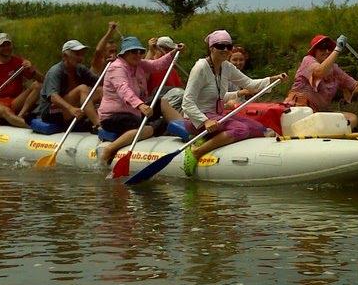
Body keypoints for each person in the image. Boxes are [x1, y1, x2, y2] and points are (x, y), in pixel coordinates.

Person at [181, 30, 287, 176]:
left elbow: (250, 84)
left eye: (228, 47)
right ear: (211, 48)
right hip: (196, 119)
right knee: (241, 129)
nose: (225, 50)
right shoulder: (200, 68)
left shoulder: (227, 67)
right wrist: (205, 121)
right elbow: (187, 102)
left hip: (217, 116)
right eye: (220, 46)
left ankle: (208, 139)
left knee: (259, 128)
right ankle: (196, 152)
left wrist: (272, 79)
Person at [96, 37, 184, 166]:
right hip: (113, 116)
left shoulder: (139, 64)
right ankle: (110, 149)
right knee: (148, 128)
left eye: (140, 52)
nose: (138, 54)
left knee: (161, 102)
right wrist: (140, 105)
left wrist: (174, 52)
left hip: (133, 112)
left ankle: (187, 132)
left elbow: (157, 65)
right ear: (124, 53)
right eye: (134, 51)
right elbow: (123, 89)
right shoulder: (117, 68)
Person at [284, 34, 358, 129]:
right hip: (298, 110)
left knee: (352, 118)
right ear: (314, 51)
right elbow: (320, 72)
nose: (327, 51)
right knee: (311, 118)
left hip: (318, 114)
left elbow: (355, 85)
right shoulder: (308, 60)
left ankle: (333, 140)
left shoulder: (335, 70)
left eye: (329, 48)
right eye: (323, 47)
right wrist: (337, 49)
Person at [36, 40, 101, 130]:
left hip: (70, 108)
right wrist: (71, 108)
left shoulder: (80, 69)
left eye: (82, 54)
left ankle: (108, 118)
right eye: (77, 54)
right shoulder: (55, 71)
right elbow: (53, 97)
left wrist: (112, 67)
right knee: (82, 88)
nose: (81, 58)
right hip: (51, 112)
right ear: (65, 56)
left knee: (100, 90)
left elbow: (100, 82)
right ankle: (98, 125)